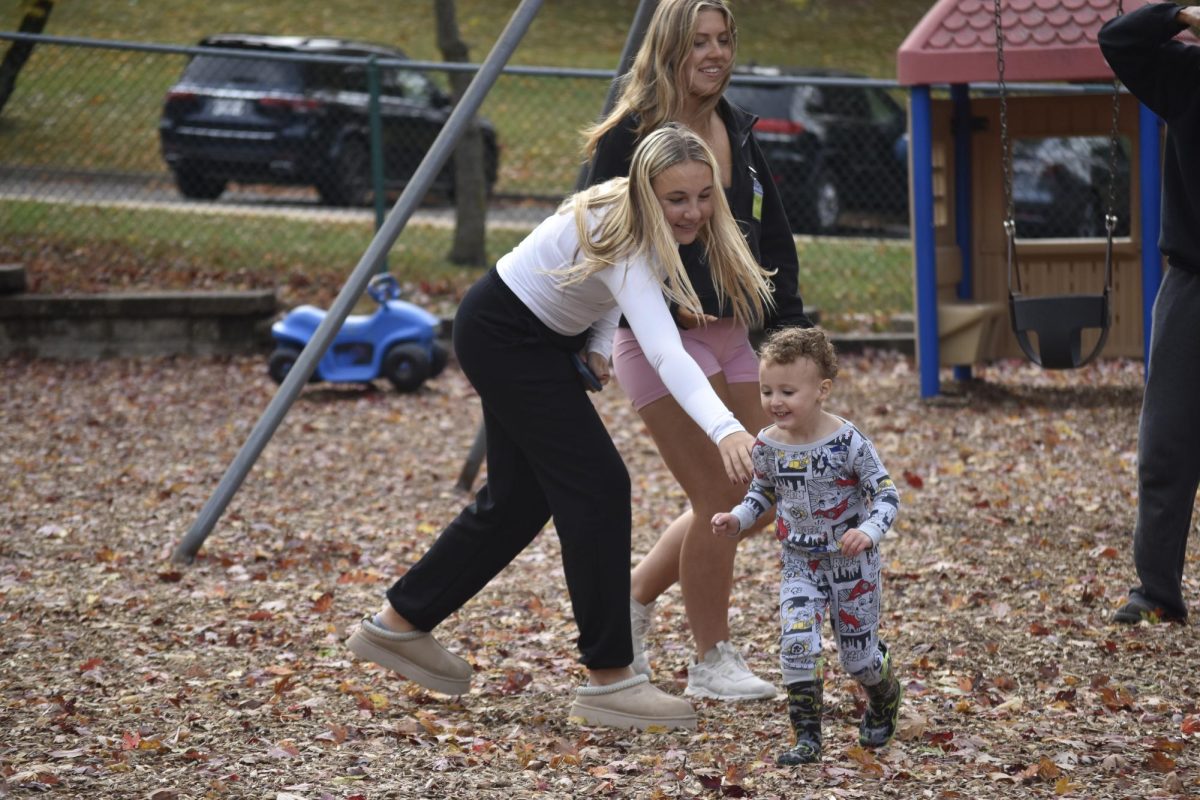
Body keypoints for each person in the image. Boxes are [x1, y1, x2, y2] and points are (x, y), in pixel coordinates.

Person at [344, 124, 776, 731]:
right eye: (678, 198)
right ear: (646, 192)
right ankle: (610, 680)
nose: (694, 211)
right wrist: (725, 428)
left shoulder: (637, 224)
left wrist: (596, 343)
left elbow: (599, 287)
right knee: (599, 486)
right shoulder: (622, 225)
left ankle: (400, 624)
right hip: (505, 335)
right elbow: (663, 350)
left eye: (705, 195)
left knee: (518, 501)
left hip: (530, 337)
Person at [583, 0, 812, 701]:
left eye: (723, 40)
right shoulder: (628, 137)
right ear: (669, 49)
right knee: (720, 491)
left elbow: (771, 239)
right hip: (655, 338)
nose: (714, 53)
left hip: (732, 329)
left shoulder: (734, 128)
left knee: (764, 487)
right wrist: (587, 339)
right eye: (699, 42)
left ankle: (635, 595)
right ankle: (711, 660)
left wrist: (793, 340)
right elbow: (591, 238)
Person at [711, 328, 901, 764]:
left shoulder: (848, 443)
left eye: (788, 391)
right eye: (766, 390)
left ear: (821, 391)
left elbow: (887, 494)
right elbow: (762, 493)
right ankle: (807, 737)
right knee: (797, 642)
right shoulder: (767, 445)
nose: (775, 401)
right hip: (800, 562)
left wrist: (869, 532)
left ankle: (884, 694)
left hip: (853, 565)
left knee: (859, 659)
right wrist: (737, 518)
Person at [1100, 3, 1200, 625]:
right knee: (1166, 442)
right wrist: (1182, 12)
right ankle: (1157, 590)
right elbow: (1120, 40)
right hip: (1192, 281)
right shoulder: (1187, 74)